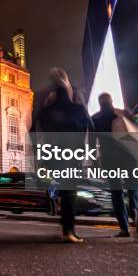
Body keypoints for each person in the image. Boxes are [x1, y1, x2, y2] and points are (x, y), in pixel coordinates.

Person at [32, 67, 93, 243]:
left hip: (53, 153)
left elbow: (35, 130)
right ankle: (68, 230)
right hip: (70, 152)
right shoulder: (77, 107)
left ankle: (66, 224)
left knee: (64, 188)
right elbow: (86, 127)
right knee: (70, 190)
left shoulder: (46, 109)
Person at [91, 92, 138, 238]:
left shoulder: (95, 119)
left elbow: (91, 142)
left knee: (116, 192)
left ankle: (124, 228)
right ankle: (136, 212)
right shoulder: (122, 113)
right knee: (133, 187)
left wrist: (95, 161)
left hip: (109, 159)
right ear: (111, 101)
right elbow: (137, 126)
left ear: (99, 103)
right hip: (128, 156)